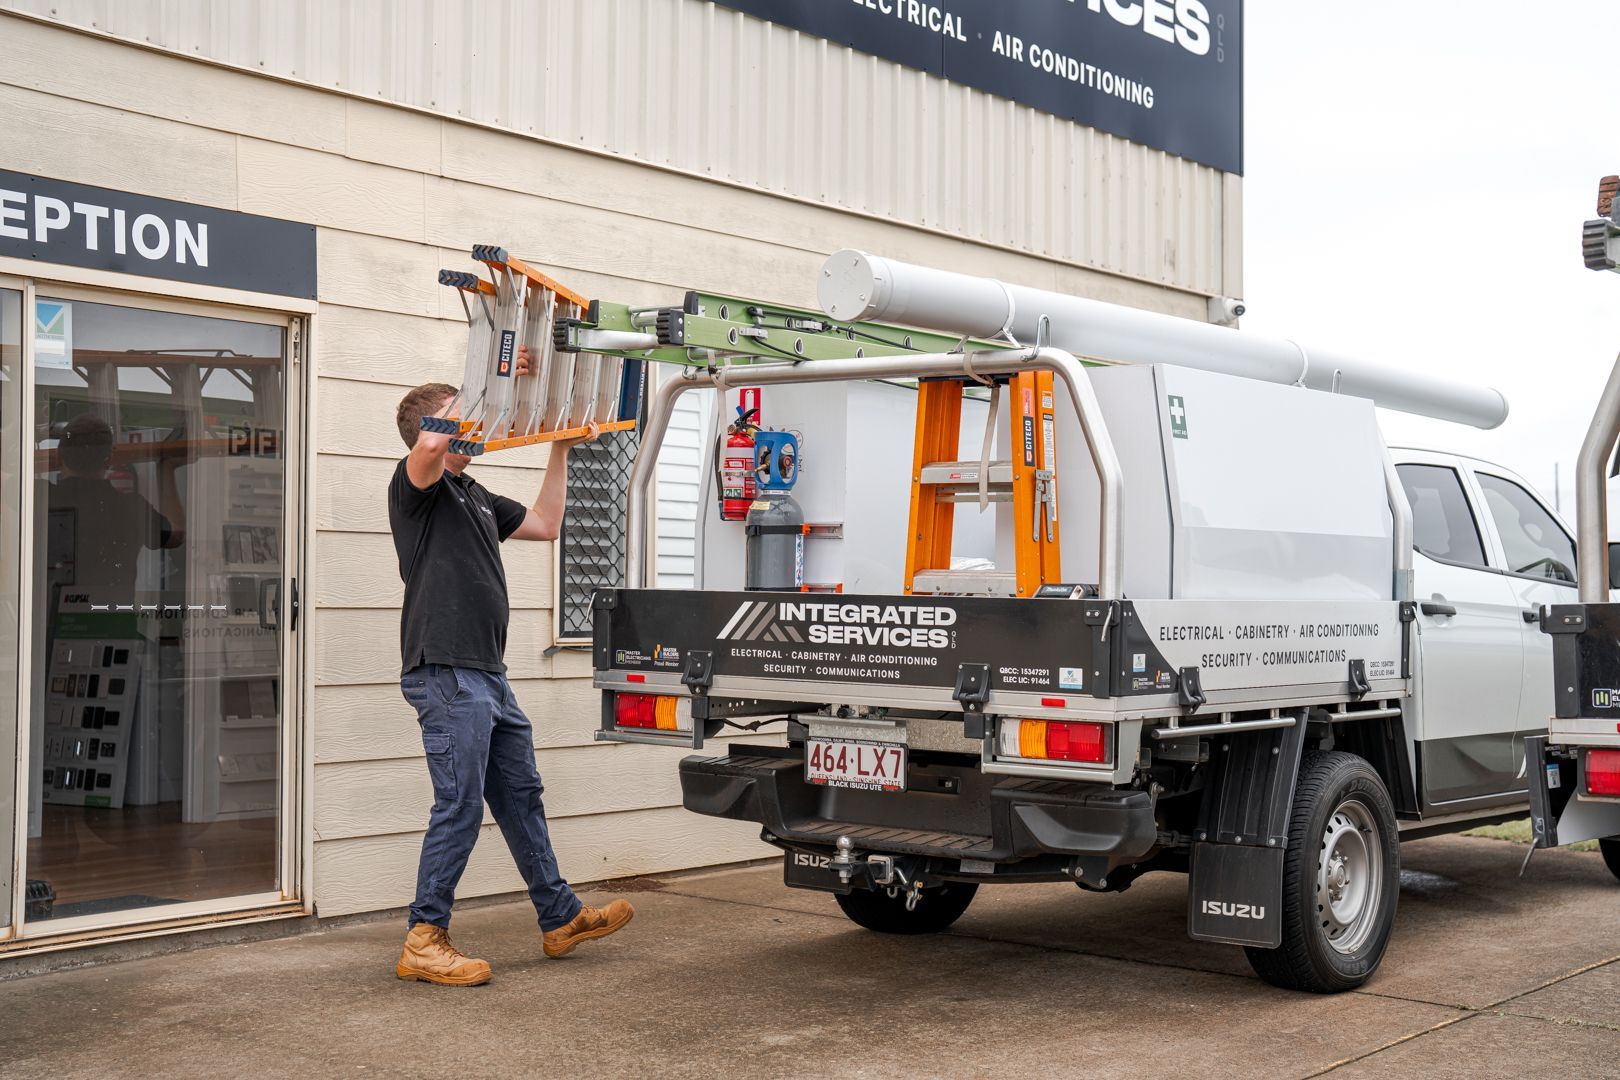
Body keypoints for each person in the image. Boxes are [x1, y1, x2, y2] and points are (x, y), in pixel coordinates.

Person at [389, 361, 634, 987]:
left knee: (521, 799)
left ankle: (559, 918)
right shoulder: (416, 487)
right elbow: (432, 445)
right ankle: (424, 938)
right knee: (461, 805)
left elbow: (548, 524)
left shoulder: (474, 497)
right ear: (433, 425)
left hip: (487, 677)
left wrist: (558, 446)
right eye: (464, 409)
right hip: (445, 674)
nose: (482, 418)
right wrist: (489, 373)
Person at [47, 412, 187, 602]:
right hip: (112, 622)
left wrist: (38, 435)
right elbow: (175, 534)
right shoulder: (130, 507)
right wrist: (166, 468)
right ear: (110, 458)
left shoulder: (43, 497)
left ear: (58, 454)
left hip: (52, 622)